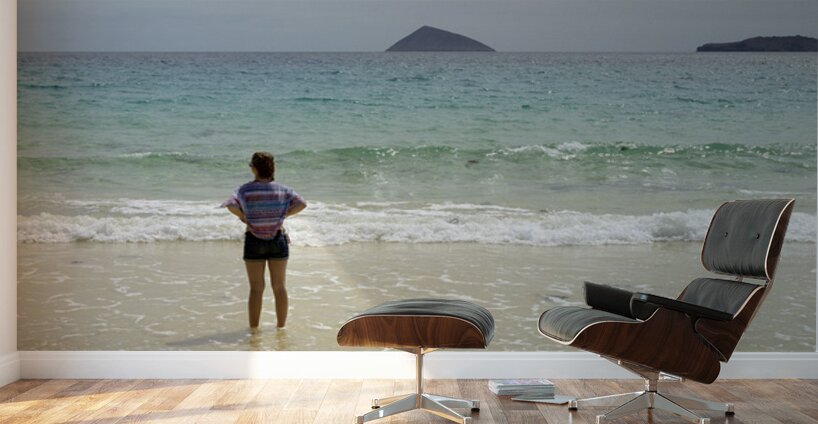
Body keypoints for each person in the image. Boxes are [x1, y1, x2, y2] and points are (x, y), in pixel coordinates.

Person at [223, 151, 306, 330]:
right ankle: (281, 328)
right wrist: (283, 214)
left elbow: (230, 204)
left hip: (253, 239)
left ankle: (254, 329)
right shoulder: (283, 189)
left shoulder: (244, 189)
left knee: (256, 288)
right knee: (279, 287)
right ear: (272, 168)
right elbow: (302, 204)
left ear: (253, 168)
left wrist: (244, 217)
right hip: (277, 238)